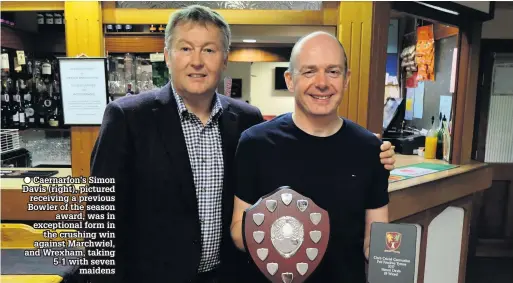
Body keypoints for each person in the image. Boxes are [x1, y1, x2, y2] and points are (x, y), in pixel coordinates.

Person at [90, 5, 396, 283]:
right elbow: (100, 218)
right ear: (168, 55)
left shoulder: (247, 121)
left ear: (224, 59)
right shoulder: (128, 118)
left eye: (209, 50)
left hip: (230, 276)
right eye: (185, 48)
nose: (197, 61)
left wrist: (376, 152)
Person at [230, 31, 390, 283]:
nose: (322, 82)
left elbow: (374, 236)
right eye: (309, 71)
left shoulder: (371, 149)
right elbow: (239, 229)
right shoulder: (255, 143)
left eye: (333, 71)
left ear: (346, 79)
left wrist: (392, 262)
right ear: (290, 79)